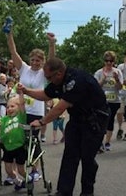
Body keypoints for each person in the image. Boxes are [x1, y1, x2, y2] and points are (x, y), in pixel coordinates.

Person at [18, 57, 110, 196]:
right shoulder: (57, 80)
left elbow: (60, 108)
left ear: (59, 73)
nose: (48, 80)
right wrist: (26, 91)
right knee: (69, 156)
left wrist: (42, 122)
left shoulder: (77, 80)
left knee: (87, 158)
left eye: (49, 77)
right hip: (77, 119)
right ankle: (64, 191)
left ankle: (87, 192)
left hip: (95, 120)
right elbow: (45, 94)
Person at [6, 26, 56, 180]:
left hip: (36, 111)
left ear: (42, 62)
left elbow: (53, 61)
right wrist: (9, 35)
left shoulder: (44, 73)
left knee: (31, 142)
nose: (35, 63)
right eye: (33, 60)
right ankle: (13, 173)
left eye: (38, 60)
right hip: (21, 110)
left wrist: (51, 44)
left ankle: (35, 170)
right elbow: (13, 53)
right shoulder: (24, 69)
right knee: (16, 139)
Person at [0, 88, 33, 191]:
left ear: (19, 107)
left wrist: (21, 94)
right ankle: (18, 182)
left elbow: (23, 105)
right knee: (8, 170)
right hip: (7, 147)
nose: (9, 109)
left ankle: (28, 178)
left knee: (20, 169)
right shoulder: (5, 119)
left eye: (12, 106)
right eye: (7, 107)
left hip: (19, 146)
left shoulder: (21, 117)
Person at [94, 51, 123, 151]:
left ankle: (107, 142)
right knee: (101, 122)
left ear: (114, 61)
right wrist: (103, 79)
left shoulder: (118, 72)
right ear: (104, 61)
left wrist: (116, 79)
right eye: (107, 61)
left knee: (110, 121)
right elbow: (95, 88)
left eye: (111, 61)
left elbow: (120, 87)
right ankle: (99, 142)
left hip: (114, 101)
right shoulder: (99, 72)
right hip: (101, 101)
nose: (109, 63)